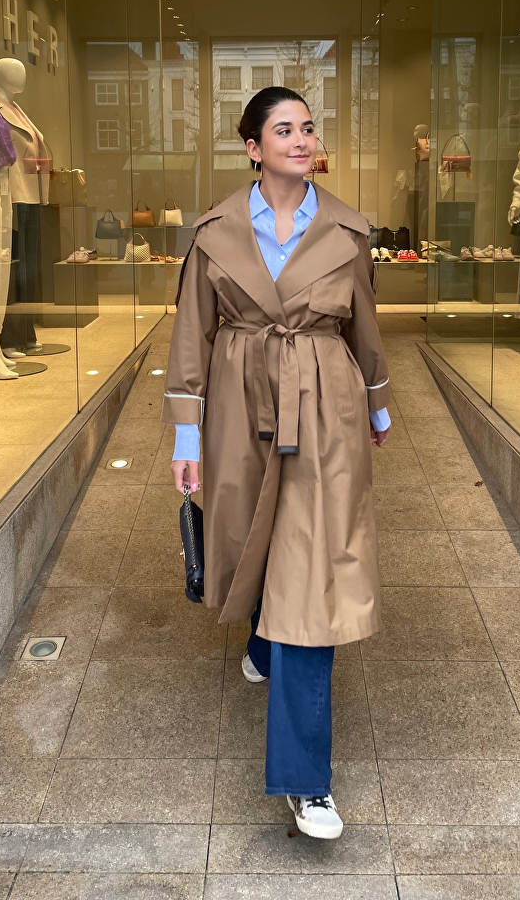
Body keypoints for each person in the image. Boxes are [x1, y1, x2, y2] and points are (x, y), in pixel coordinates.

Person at [163, 87, 391, 839]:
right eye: (284, 129)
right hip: (239, 405)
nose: (302, 139)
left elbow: (364, 326)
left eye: (309, 128)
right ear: (253, 148)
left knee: (311, 572)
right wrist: (187, 438)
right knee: (254, 537)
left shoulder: (347, 231)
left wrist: (378, 403)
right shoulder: (217, 232)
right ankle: (263, 638)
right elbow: (192, 335)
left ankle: (305, 780)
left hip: (324, 410)